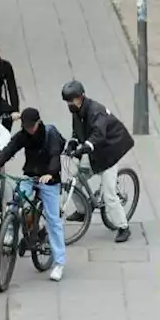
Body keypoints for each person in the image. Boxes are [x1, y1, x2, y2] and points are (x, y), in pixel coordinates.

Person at [0, 107, 68, 279]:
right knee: (16, 200)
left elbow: (54, 156)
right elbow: (10, 148)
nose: (29, 130)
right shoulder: (24, 134)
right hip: (31, 175)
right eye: (26, 126)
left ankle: (59, 262)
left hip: (49, 178)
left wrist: (50, 174)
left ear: (38, 122)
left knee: (53, 220)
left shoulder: (50, 135)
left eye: (31, 126)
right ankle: (9, 232)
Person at [60, 80, 136, 243]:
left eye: (71, 101)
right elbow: (77, 131)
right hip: (95, 153)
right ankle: (82, 211)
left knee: (109, 195)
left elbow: (98, 135)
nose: (69, 104)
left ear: (80, 97)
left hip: (110, 152)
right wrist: (73, 143)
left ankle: (123, 227)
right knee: (74, 179)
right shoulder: (77, 111)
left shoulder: (96, 112)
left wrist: (85, 146)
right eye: (67, 101)